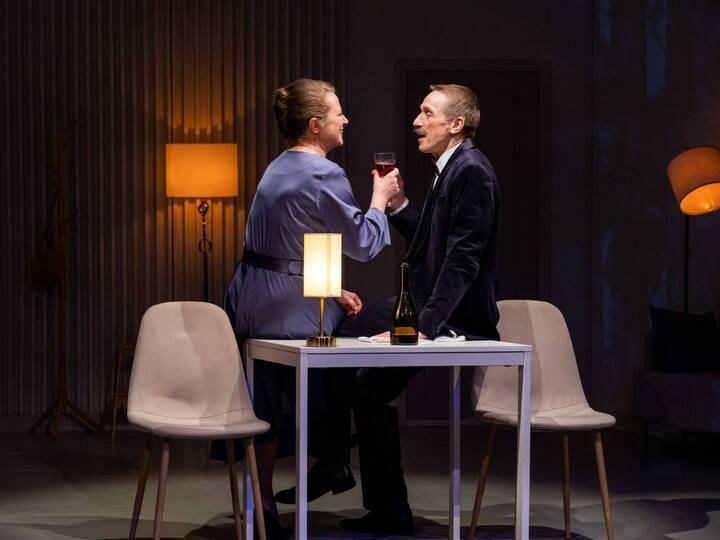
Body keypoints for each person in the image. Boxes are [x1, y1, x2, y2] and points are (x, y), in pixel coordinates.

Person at [275, 83, 501, 536]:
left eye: (427, 113)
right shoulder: (450, 168)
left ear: (456, 124)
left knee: (366, 387)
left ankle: (357, 480)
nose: (416, 121)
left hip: (448, 314)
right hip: (419, 304)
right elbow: (432, 244)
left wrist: (425, 327)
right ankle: (345, 469)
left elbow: (463, 259)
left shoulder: (472, 171)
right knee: (341, 340)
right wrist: (397, 207)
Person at [220, 78, 400, 539]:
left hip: (252, 296)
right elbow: (362, 243)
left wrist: (332, 288)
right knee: (353, 347)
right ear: (316, 124)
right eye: (339, 113)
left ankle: (267, 500)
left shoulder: (278, 166)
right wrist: (380, 199)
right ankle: (334, 455)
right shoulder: (325, 173)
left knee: (268, 397)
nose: (346, 119)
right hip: (285, 307)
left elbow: (293, 244)